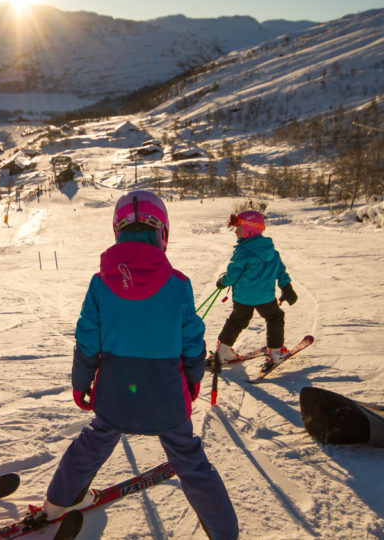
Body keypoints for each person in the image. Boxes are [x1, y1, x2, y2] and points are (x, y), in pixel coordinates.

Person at [41, 190, 239, 539]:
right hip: (166, 395)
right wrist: (193, 380)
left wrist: (81, 381)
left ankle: (57, 504)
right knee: (191, 462)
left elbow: (88, 338)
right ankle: (225, 533)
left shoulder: (100, 282)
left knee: (95, 440)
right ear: (162, 231)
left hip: (115, 394)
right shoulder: (178, 284)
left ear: (117, 231)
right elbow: (192, 340)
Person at [211, 210, 297, 373]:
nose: (235, 231)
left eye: (238, 228)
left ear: (250, 229)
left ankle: (222, 352)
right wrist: (287, 288)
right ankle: (276, 351)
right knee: (275, 317)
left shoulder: (243, 252)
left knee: (237, 321)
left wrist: (222, 282)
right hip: (265, 297)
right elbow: (281, 272)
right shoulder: (272, 252)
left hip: (243, 298)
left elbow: (232, 275)